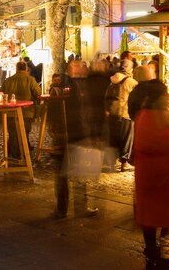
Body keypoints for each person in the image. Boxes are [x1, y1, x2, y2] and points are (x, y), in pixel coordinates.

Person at [133, 87, 169, 269]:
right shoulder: (167, 117)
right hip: (164, 177)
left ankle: (152, 250)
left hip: (147, 176)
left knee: (149, 217)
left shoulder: (142, 116)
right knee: (162, 217)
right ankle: (155, 253)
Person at [50, 60, 100, 219]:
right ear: (73, 69)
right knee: (71, 173)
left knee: (72, 172)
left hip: (70, 134)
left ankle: (65, 209)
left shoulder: (78, 85)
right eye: (80, 66)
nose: (84, 68)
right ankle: (68, 208)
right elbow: (79, 112)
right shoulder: (70, 87)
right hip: (72, 134)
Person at [1, 61, 42, 161]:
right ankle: (22, 155)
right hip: (26, 112)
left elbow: (2, 94)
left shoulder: (8, 80)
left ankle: (14, 156)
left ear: (16, 68)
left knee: (13, 133)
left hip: (10, 112)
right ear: (26, 69)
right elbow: (38, 93)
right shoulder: (30, 79)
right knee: (24, 132)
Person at [107, 58, 138, 172]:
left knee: (114, 138)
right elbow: (136, 97)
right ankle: (124, 163)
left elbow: (107, 96)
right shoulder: (131, 82)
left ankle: (112, 162)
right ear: (130, 69)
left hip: (113, 113)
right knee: (126, 139)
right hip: (125, 113)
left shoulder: (112, 80)